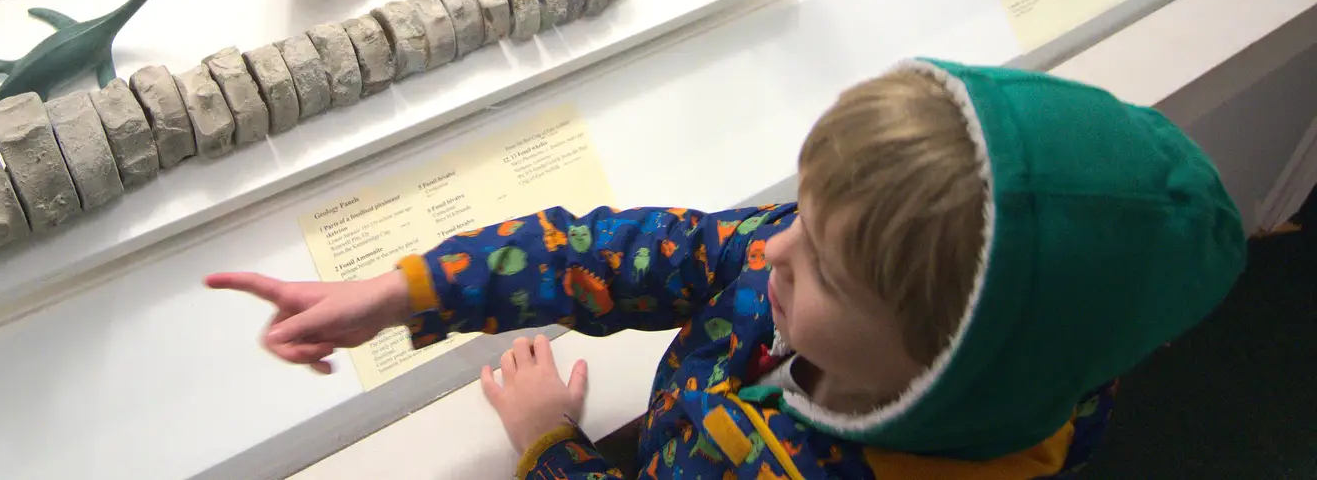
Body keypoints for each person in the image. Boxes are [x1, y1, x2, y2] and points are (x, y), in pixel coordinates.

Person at [206, 59, 1246, 479]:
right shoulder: (1043, 368)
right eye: (801, 209)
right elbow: (632, 254)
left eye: (825, 267)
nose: (773, 246)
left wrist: (548, 446)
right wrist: (412, 290)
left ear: (945, 365)